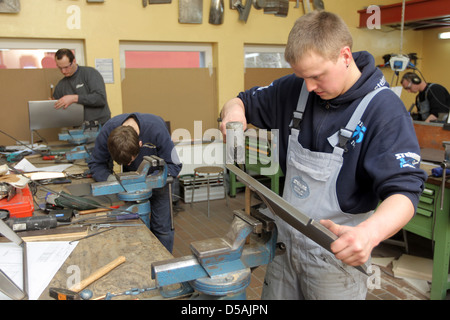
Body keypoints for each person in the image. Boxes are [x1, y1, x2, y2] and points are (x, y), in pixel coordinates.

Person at [220, 11, 427, 300]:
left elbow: (405, 192)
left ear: (345, 56)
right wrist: (233, 113)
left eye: (317, 76)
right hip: (285, 249)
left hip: (336, 260)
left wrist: (369, 234)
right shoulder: (296, 88)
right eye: (302, 76)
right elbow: (241, 101)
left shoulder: (385, 110)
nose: (309, 87)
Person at [87, 113, 182, 253]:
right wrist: (110, 180)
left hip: (158, 181)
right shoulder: (107, 131)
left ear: (140, 143)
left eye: (131, 160)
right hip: (129, 185)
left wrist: (153, 179)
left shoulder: (156, 129)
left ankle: (163, 265)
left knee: (162, 229)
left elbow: (175, 165)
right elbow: (96, 163)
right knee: (133, 227)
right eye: (126, 163)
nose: (130, 164)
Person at [53, 48, 111, 125]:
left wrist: (74, 98)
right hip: (78, 127)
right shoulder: (61, 85)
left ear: (74, 61)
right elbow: (57, 107)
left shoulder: (90, 73)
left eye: (66, 67)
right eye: (60, 68)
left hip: (100, 125)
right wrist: (53, 104)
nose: (63, 71)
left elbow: (100, 98)